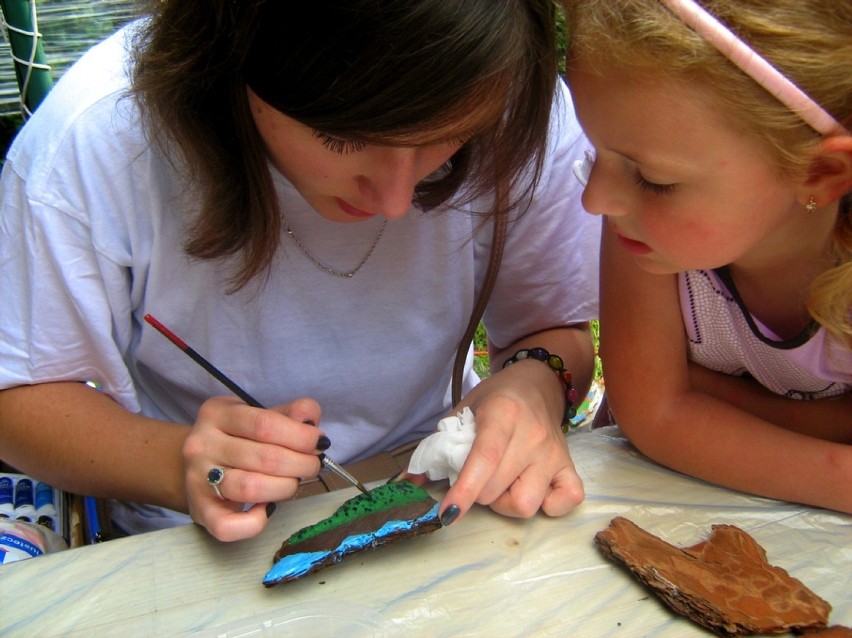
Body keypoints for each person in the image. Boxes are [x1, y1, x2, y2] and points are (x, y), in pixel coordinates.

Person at [0, 0, 601, 541]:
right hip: (196, 537)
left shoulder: (516, 100)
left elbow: (552, 333)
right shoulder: (98, 140)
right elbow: (22, 395)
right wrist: (180, 459)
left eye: (448, 138)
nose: (395, 200)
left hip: (441, 494)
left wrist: (535, 386)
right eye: (341, 137)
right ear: (234, 58)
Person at [562, 0, 852, 513]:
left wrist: (697, 397)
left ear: (820, 175)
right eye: (594, 152)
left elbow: (662, 404)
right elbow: (651, 414)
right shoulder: (648, 233)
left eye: (655, 179)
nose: (596, 201)